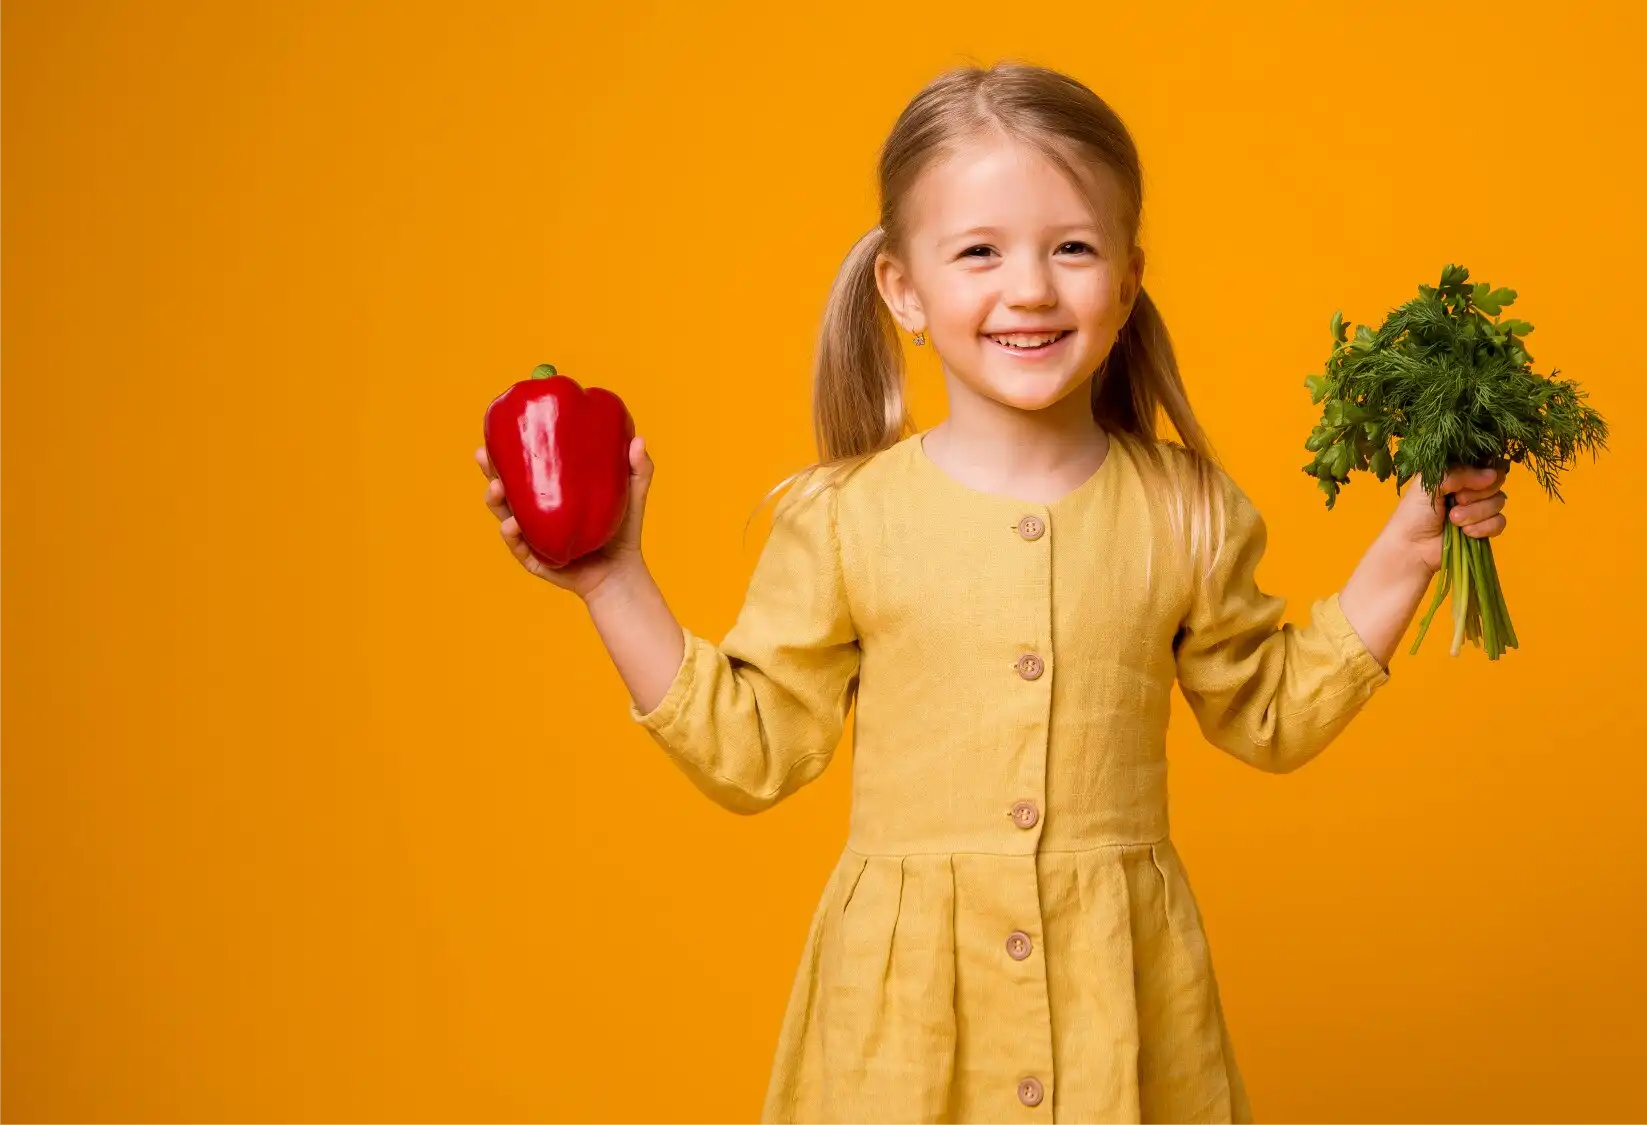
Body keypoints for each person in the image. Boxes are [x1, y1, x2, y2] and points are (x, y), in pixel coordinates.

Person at [474, 60, 1509, 1125]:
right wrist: (612, 580)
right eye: (979, 251)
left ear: (1127, 280)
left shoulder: (1186, 511)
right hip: (902, 1035)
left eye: (1072, 248)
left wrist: (1409, 546)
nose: (1030, 289)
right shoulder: (845, 519)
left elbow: (1269, 711)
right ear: (902, 289)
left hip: (1123, 1018)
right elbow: (749, 750)